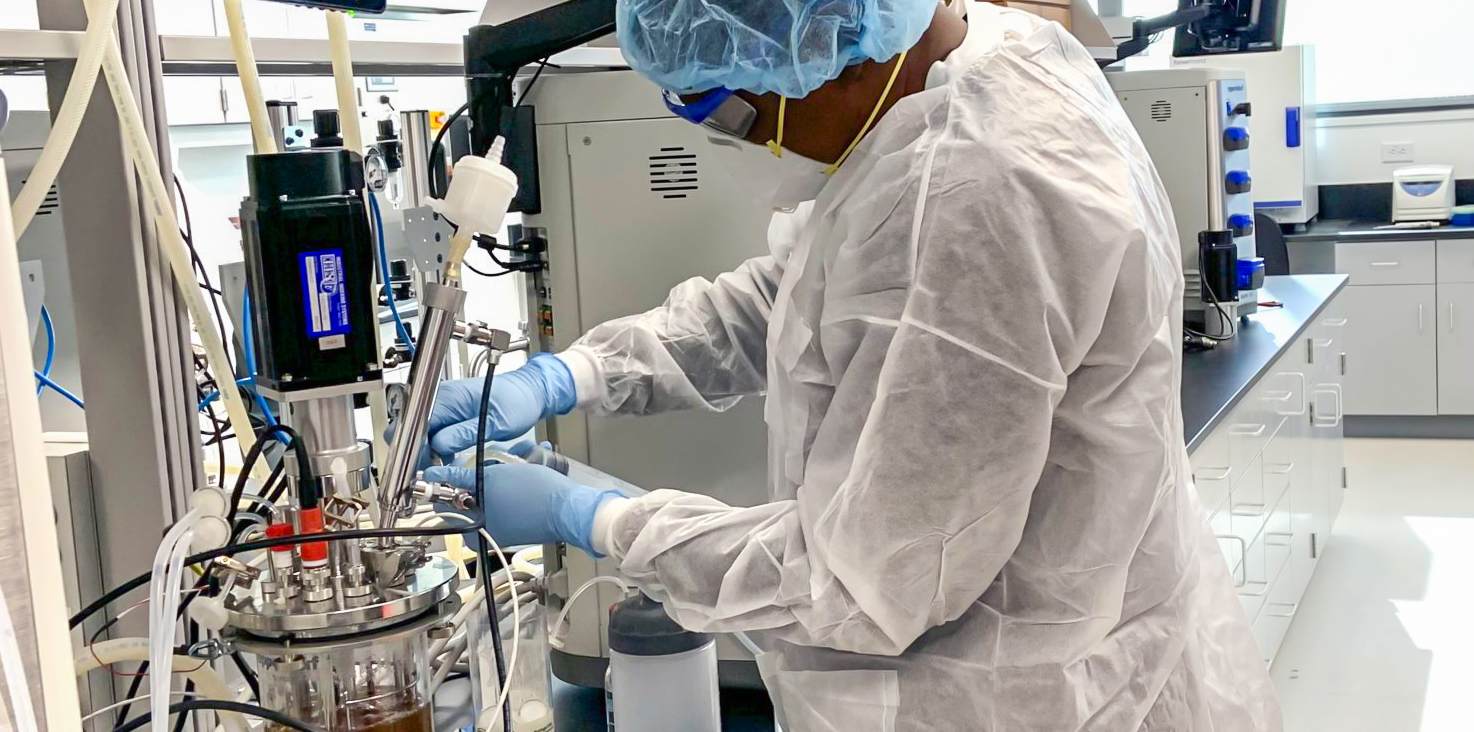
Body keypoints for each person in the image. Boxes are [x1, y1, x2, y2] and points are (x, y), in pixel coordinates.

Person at [422, 0, 1282, 728]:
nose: (736, 140)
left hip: (1032, 693)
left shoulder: (979, 192)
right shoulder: (981, 61)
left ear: (823, 47)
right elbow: (803, 293)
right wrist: (578, 373)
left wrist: (598, 518)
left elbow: (864, 583)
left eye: (725, 110)